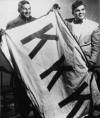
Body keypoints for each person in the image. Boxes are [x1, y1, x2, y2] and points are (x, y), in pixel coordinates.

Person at [64, 0, 100, 117]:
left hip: (86, 61)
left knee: (90, 87)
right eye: (77, 10)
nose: (81, 12)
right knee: (74, 87)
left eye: (83, 10)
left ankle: (94, 109)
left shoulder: (93, 25)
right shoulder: (67, 24)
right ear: (73, 13)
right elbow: (56, 22)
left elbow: (96, 46)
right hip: (72, 61)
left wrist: (92, 62)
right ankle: (77, 111)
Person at [6, 0, 37, 118]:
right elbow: (8, 46)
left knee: (36, 89)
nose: (27, 11)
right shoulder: (12, 24)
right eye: (24, 8)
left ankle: (37, 112)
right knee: (21, 92)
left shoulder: (36, 21)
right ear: (19, 10)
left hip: (34, 63)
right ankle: (23, 113)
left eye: (29, 8)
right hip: (20, 64)